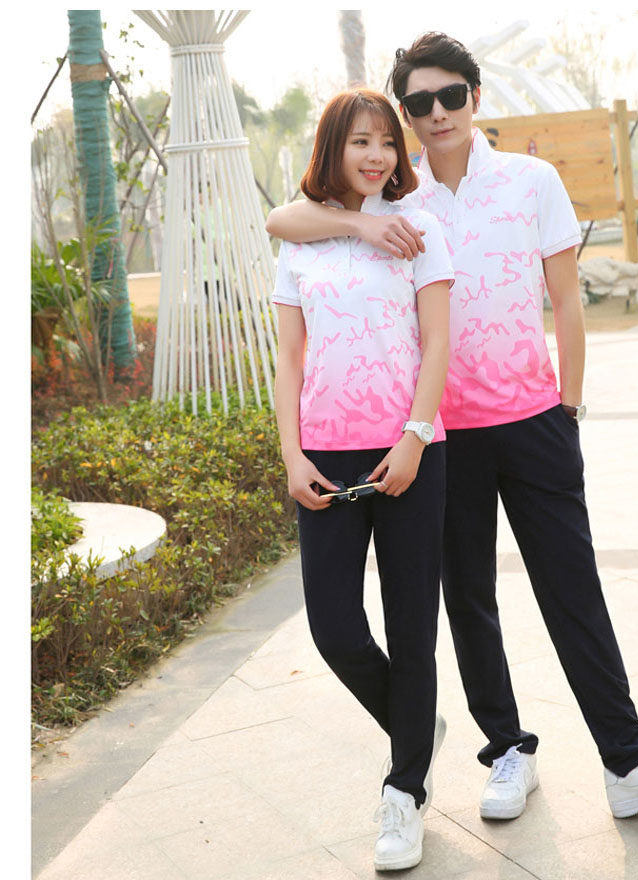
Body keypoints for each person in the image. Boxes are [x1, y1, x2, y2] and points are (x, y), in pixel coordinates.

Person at [266, 34, 638, 824]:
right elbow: (288, 218)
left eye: (451, 96)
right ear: (404, 115)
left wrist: (568, 408)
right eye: (419, 103)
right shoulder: (399, 206)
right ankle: (507, 749)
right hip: (442, 437)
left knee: (572, 589)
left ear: (475, 97)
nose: (437, 112)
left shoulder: (530, 181)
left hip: (535, 420)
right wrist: (365, 229)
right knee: (469, 600)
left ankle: (629, 759)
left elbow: (567, 301)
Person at [270, 89, 454, 871]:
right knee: (335, 628)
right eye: (360, 142)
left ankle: (403, 792)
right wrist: (292, 456)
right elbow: (289, 358)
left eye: (386, 142)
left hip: (410, 452)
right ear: (333, 149)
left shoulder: (420, 228)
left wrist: (415, 438)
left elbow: (438, 341)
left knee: (412, 628)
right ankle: (417, 728)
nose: (376, 155)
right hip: (325, 456)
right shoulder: (301, 240)